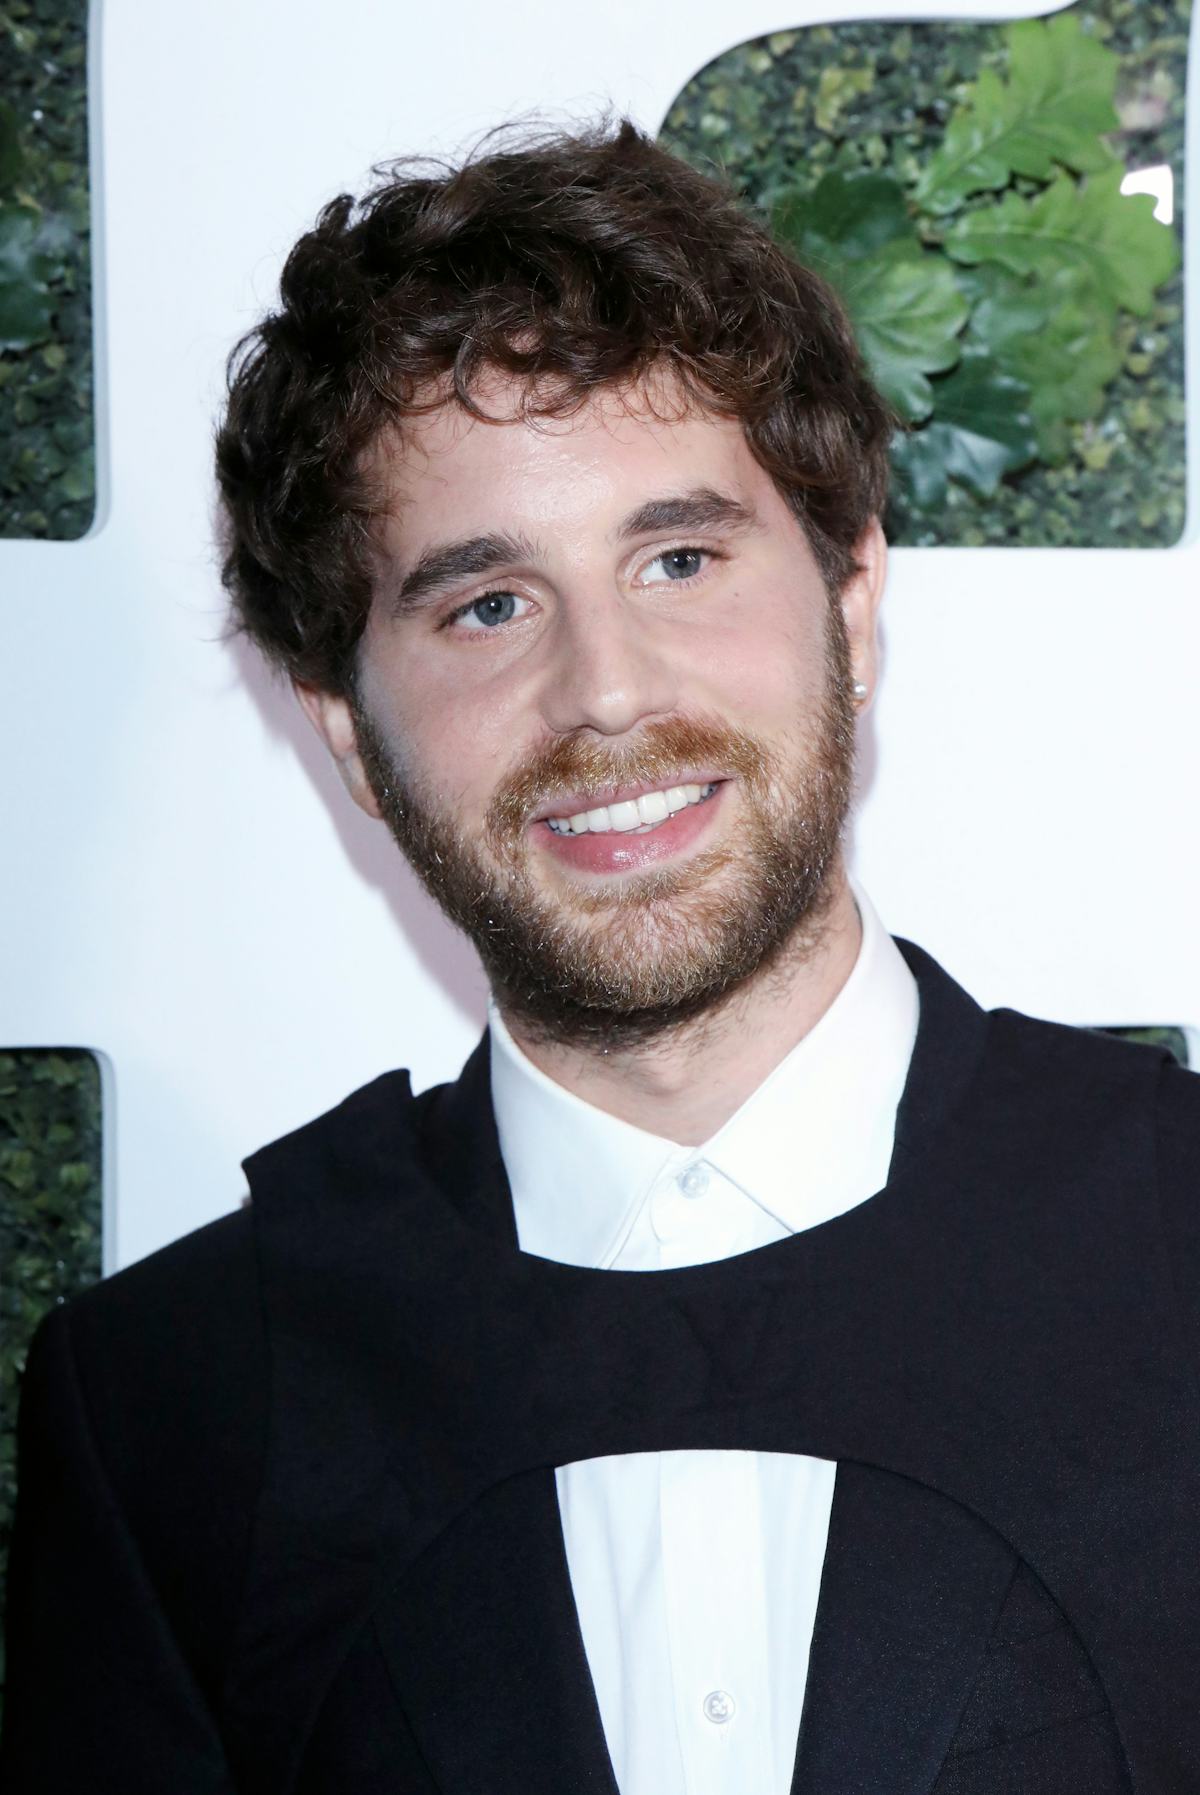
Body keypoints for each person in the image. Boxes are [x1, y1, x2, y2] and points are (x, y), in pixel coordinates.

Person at [3, 119, 1199, 1795]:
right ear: (348, 731)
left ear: (853, 602)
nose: (609, 692)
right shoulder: (172, 1409)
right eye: (486, 606)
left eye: (680, 559)